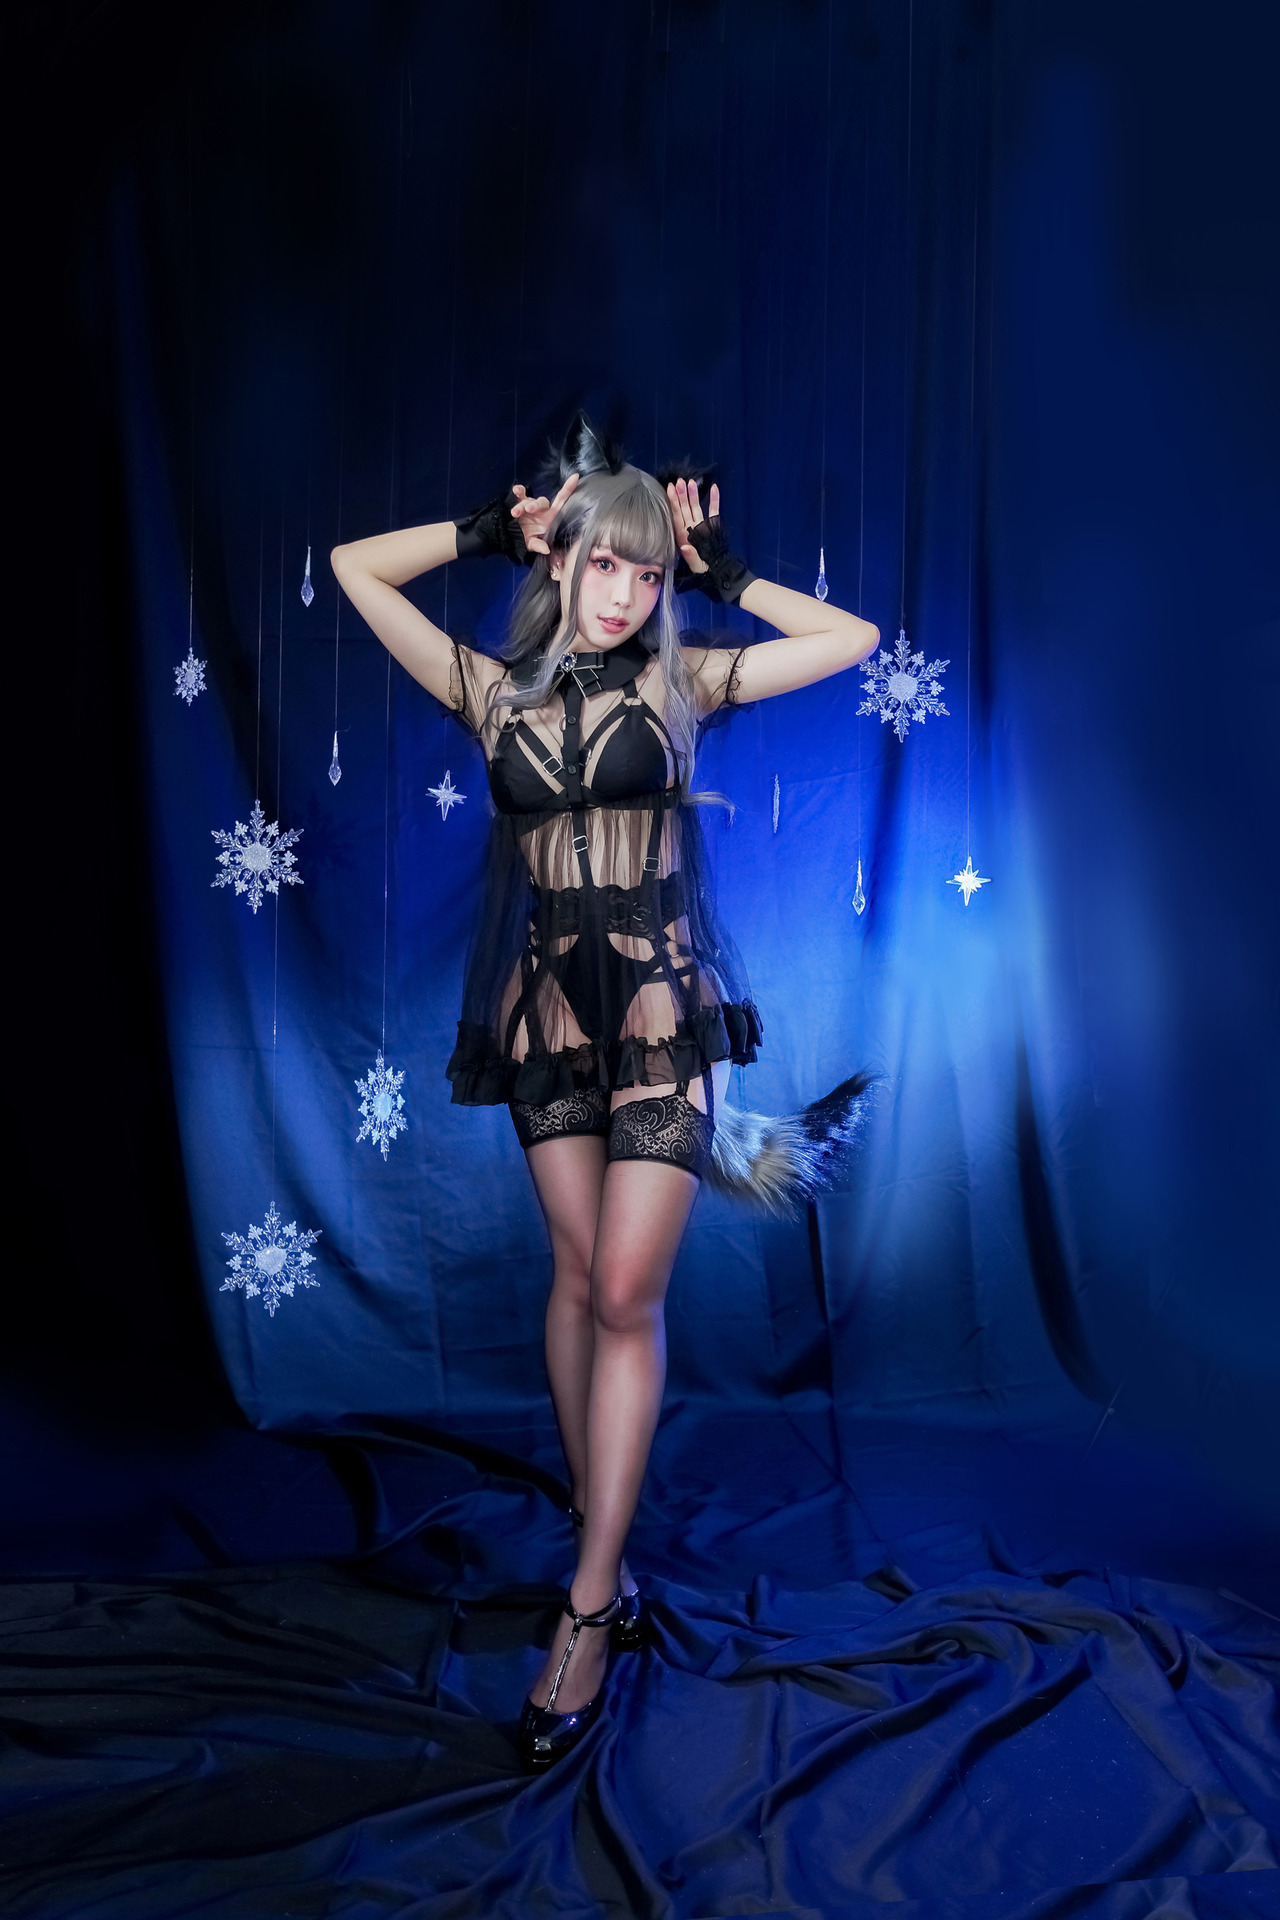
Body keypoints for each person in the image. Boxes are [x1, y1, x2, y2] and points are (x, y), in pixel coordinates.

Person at [331, 418, 879, 1768]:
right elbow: (352, 569)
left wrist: (725, 569)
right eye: (603, 563)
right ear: (561, 561)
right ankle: (607, 1544)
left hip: (658, 1017)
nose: (626, 592)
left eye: (647, 570)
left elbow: (851, 639)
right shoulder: (490, 692)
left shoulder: (686, 682)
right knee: (578, 1278)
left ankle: (587, 1609)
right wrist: (482, 529)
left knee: (626, 1290)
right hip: (545, 1021)